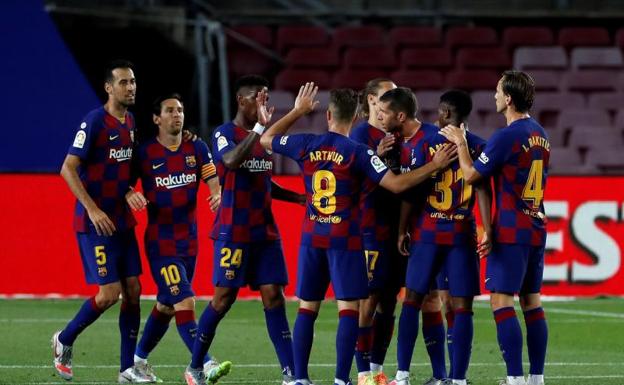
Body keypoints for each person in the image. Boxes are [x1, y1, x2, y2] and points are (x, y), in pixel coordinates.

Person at [259, 83, 458, 385]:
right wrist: (434, 164)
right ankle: (342, 379)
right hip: (346, 239)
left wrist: (298, 111)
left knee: (307, 308)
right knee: (349, 310)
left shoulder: (306, 143)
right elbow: (397, 185)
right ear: (355, 119)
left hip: (312, 236)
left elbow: (266, 139)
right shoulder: (359, 151)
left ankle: (299, 378)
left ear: (327, 115)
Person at [185, 75, 304, 385]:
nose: (265, 105)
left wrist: (299, 198)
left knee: (274, 297)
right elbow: (230, 162)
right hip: (233, 231)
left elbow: (263, 179)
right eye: (259, 99)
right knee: (223, 299)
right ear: (242, 100)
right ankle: (195, 366)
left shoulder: (261, 141)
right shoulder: (225, 133)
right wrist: (260, 129)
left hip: (264, 231)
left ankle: (290, 374)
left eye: (267, 99)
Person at [440, 71, 549, 385]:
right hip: (535, 224)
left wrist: (461, 143)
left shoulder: (508, 135)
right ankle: (536, 378)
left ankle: (515, 378)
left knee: (501, 301)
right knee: (532, 301)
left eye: (499, 91)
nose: (495, 96)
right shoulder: (540, 132)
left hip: (512, 229)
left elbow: (473, 176)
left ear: (509, 99)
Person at [54, 59, 152, 383]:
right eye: (124, 82)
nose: (131, 87)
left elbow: (115, 171)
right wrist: (93, 210)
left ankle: (127, 369)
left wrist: (127, 191)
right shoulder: (94, 121)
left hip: (122, 221)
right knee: (109, 294)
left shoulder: (131, 122)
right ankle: (64, 339)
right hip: (95, 223)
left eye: (133, 81)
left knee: (134, 290)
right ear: (109, 88)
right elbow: (68, 168)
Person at [386, 89, 493, 385]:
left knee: (412, 300)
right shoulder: (478, 146)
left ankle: (402, 375)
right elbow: (484, 188)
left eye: (439, 111)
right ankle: (458, 379)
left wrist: (401, 230)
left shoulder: (424, 142)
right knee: (463, 308)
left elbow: (411, 191)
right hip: (462, 233)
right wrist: (488, 228)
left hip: (428, 233)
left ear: (445, 113)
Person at [125, 93, 231, 383]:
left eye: (180, 110)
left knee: (167, 305)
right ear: (157, 118)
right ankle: (202, 364)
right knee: (185, 301)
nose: (177, 115)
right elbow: (123, 179)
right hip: (161, 243)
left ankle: (137, 360)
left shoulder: (196, 146)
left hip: (190, 242)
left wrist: (216, 193)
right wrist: (129, 192)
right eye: (170, 111)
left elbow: (211, 176)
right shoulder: (145, 153)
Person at [349, 78, 402, 385]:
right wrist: (377, 156)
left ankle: (378, 369)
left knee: (389, 302)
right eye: (386, 96)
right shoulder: (360, 135)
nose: (391, 101)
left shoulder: (396, 133)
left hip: (394, 229)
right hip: (369, 228)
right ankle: (363, 373)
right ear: (370, 100)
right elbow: (352, 179)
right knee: (367, 302)